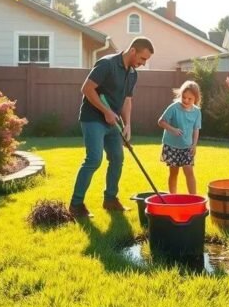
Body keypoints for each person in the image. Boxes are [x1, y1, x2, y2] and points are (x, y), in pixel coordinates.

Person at [69, 36, 154, 218]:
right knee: (94, 159)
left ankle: (110, 200)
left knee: (117, 158)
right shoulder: (107, 64)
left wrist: (128, 124)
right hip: (93, 118)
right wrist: (105, 111)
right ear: (133, 51)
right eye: (142, 58)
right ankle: (76, 205)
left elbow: (127, 101)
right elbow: (87, 89)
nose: (143, 63)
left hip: (113, 122)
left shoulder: (132, 74)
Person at [157, 80, 202, 195]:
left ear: (195, 99)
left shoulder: (197, 112)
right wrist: (173, 130)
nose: (186, 100)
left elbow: (196, 129)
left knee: (189, 171)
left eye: (190, 99)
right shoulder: (174, 107)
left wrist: (194, 145)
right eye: (184, 97)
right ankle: (173, 197)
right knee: (174, 173)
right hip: (172, 146)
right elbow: (161, 122)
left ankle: (194, 198)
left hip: (187, 146)